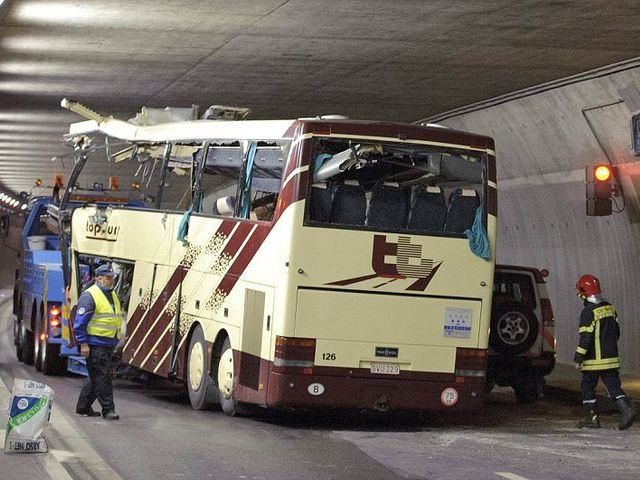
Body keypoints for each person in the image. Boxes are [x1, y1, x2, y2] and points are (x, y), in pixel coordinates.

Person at [574, 274, 636, 430]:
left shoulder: (588, 312)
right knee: (613, 386)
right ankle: (626, 409)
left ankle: (592, 419)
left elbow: (586, 338)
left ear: (583, 292)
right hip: (611, 358)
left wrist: (578, 358)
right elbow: (617, 332)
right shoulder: (610, 308)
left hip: (593, 361)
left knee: (588, 387)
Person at [74, 263, 123, 420]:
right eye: (108, 278)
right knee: (103, 377)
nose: (111, 281)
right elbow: (80, 322)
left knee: (96, 376)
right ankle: (108, 410)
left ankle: (83, 406)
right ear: (98, 278)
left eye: (112, 278)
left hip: (107, 343)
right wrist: (83, 343)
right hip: (95, 344)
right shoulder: (90, 295)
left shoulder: (111, 294)